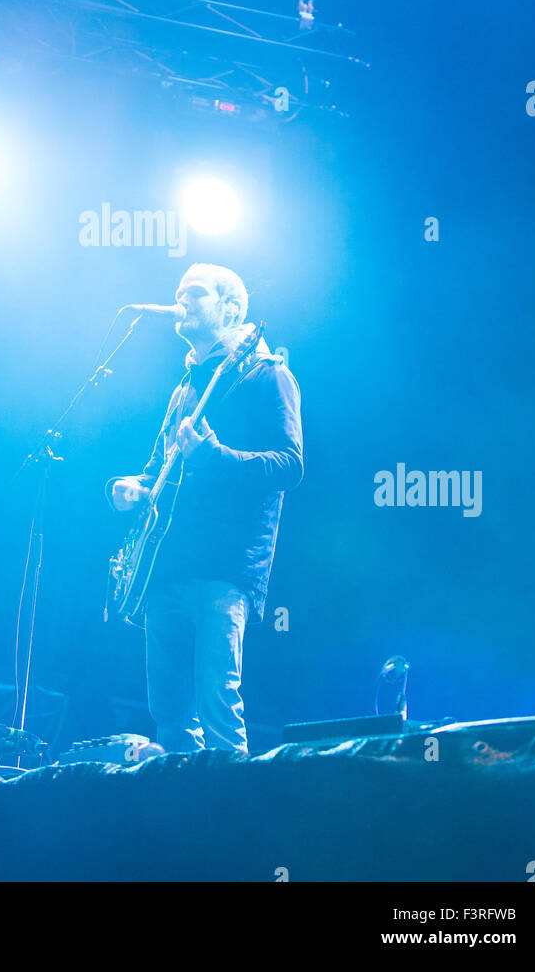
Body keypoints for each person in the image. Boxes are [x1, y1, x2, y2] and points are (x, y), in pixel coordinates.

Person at [111, 263, 303, 755]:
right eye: (178, 293)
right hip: (165, 565)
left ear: (232, 308)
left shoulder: (269, 375)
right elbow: (158, 467)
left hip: (224, 567)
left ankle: (233, 816)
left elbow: (289, 466)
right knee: (169, 712)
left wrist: (214, 457)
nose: (182, 301)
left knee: (218, 703)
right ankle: (184, 818)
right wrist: (132, 485)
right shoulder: (187, 386)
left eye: (195, 293)